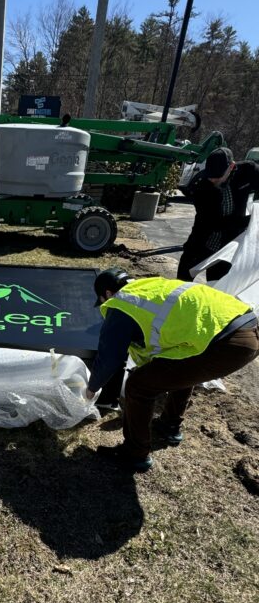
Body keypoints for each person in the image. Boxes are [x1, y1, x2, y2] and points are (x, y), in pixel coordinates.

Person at [85, 267, 259, 472]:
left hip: (227, 344)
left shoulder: (122, 303)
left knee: (139, 386)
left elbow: (110, 357)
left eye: (103, 300)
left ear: (107, 294)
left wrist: (92, 388)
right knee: (179, 364)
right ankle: (169, 426)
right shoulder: (152, 286)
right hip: (247, 326)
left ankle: (134, 454)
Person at [177, 146, 259, 282]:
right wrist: (249, 221)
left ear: (231, 167)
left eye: (218, 175)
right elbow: (215, 222)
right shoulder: (201, 186)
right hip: (202, 242)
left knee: (216, 285)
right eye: (211, 175)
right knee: (182, 280)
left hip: (227, 245)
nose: (213, 179)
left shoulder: (248, 171)